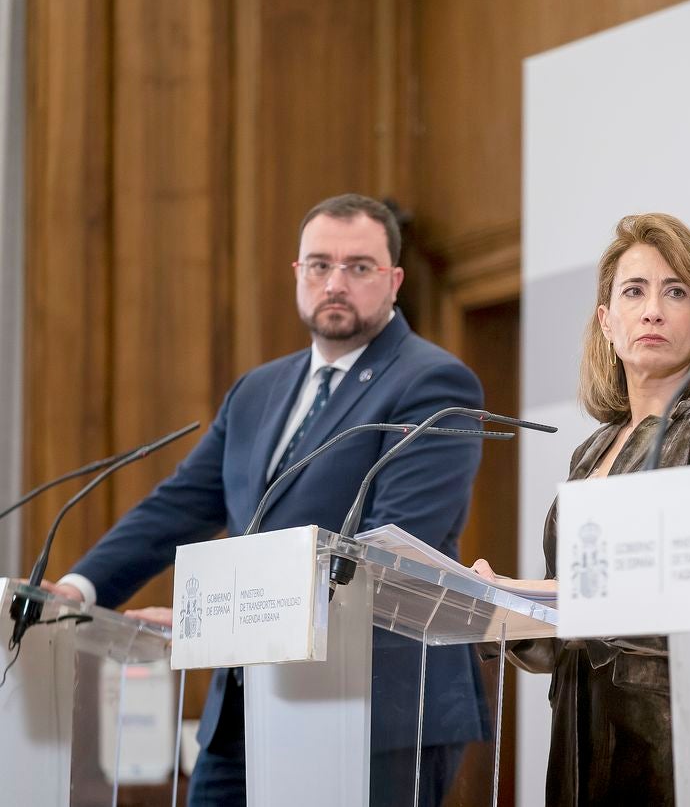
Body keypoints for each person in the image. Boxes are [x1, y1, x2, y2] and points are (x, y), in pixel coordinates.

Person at [48, 194, 488, 806]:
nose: (335, 282)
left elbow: (384, 553)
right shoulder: (259, 390)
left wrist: (220, 625)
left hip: (376, 708)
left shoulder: (433, 384)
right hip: (246, 710)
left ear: (394, 281)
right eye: (318, 264)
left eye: (359, 267)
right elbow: (180, 505)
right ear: (297, 275)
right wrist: (77, 589)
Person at [473, 212, 690, 805]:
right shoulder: (590, 452)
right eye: (634, 291)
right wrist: (496, 606)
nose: (652, 310)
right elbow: (567, 633)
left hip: (671, 740)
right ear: (607, 322)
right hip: (578, 738)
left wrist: (538, 595)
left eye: (675, 292)